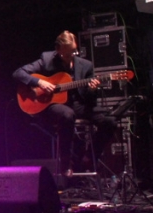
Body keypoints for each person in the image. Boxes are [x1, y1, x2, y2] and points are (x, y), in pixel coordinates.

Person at [13, 30, 117, 176]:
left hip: (78, 104)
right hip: (54, 105)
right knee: (67, 115)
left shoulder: (86, 66)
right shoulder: (47, 59)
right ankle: (66, 163)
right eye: (67, 54)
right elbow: (18, 73)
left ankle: (89, 158)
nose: (71, 57)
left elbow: (89, 99)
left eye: (74, 52)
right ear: (58, 50)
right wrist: (40, 82)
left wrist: (92, 89)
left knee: (110, 121)